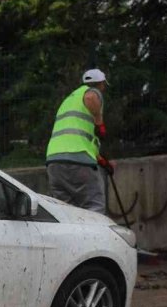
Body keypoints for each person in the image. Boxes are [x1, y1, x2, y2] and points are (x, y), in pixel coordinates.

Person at [45, 68, 115, 213]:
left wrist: (101, 160)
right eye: (103, 85)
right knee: (94, 208)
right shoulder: (92, 92)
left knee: (66, 213)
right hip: (78, 163)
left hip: (54, 163)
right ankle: (95, 236)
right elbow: (91, 97)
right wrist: (99, 122)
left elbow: (76, 137)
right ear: (101, 83)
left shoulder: (69, 100)